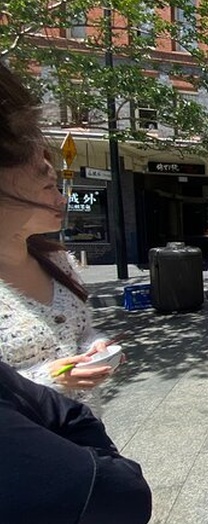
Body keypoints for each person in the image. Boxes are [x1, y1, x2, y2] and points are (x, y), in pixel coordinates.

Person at [0, 63, 115, 404]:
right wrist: (51, 379)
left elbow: (80, 331)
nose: (61, 199)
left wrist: (95, 346)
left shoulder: (56, 259)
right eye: (48, 185)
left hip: (84, 435)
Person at [0, 360, 152, 523]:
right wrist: (50, 377)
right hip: (45, 435)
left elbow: (83, 335)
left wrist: (97, 349)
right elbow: (121, 495)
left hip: (77, 416)